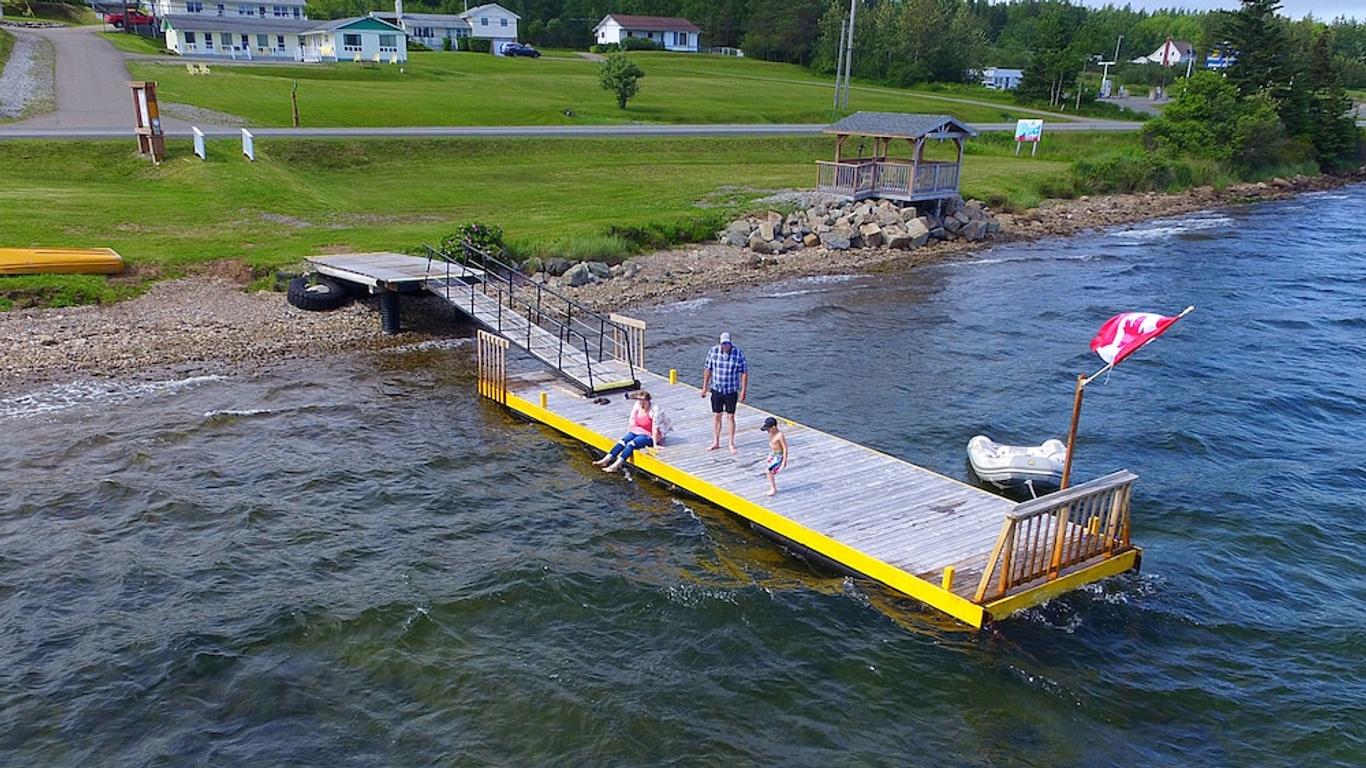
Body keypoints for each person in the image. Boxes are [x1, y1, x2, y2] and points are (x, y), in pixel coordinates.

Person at [700, 332, 748, 454]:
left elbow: (744, 372)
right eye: (723, 344)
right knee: (717, 415)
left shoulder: (738, 353)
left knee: (730, 416)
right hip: (717, 389)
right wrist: (704, 387)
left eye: (727, 344)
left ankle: (731, 442)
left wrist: (743, 390)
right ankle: (716, 441)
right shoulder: (713, 351)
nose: (725, 346)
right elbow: (708, 369)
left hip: (731, 390)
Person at [593, 391, 662, 473]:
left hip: (650, 435)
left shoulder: (654, 410)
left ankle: (616, 465)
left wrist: (655, 444)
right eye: (640, 403)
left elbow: (655, 427)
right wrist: (630, 433)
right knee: (622, 441)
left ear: (648, 401)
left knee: (631, 444)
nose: (642, 405)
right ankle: (606, 460)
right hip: (638, 430)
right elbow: (632, 419)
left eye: (644, 403)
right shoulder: (637, 405)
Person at [760, 416, 788, 496]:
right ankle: (771, 484)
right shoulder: (770, 432)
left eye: (769, 428)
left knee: (768, 471)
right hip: (773, 453)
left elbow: (785, 448)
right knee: (768, 470)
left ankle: (773, 488)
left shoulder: (780, 435)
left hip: (779, 456)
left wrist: (784, 461)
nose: (768, 430)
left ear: (774, 427)